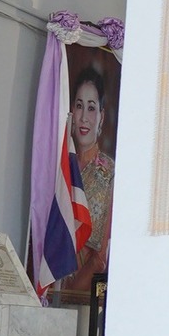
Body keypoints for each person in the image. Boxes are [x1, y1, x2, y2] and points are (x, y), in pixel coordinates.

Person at [66, 62, 114, 294]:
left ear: (102, 117)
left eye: (91, 108)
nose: (84, 117)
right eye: (79, 106)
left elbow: (100, 258)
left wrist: (67, 295)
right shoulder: (58, 166)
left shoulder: (110, 173)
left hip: (83, 293)